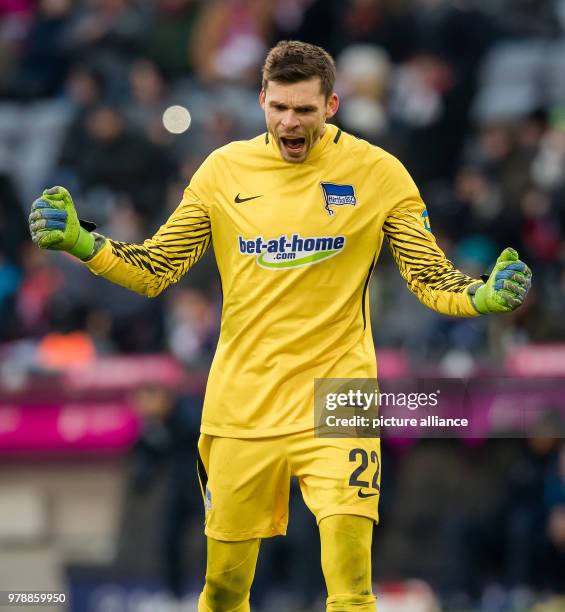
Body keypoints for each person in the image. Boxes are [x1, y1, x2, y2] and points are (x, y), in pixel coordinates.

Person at [28, 40, 532, 612]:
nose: (291, 123)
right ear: (262, 99)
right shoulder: (222, 172)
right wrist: (82, 242)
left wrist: (482, 296)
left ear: (332, 105)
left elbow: (429, 277)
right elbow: (157, 269)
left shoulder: (379, 173)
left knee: (350, 586)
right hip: (244, 401)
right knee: (222, 590)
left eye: (306, 111)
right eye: (280, 108)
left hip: (340, 395)